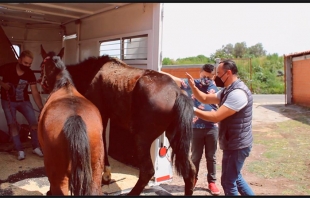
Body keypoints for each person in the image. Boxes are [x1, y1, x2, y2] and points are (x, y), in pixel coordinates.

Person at [185, 59, 254, 196]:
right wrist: (193, 87)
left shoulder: (237, 93)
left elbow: (216, 116)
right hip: (232, 143)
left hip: (238, 145)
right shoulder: (227, 90)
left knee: (228, 182)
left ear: (228, 73)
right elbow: (205, 98)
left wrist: (191, 109)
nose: (215, 77)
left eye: (219, 73)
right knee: (236, 178)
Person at [161, 64, 221, 196]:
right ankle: (192, 179)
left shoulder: (215, 87)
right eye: (204, 76)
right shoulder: (191, 84)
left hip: (212, 127)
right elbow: (174, 79)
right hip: (195, 127)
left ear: (214, 76)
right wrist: (159, 71)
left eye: (209, 77)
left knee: (211, 156)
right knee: (195, 156)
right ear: (200, 73)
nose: (206, 79)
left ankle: (212, 182)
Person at [0, 49, 44, 160]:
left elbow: (34, 92)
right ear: (19, 60)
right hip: (8, 101)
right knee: (13, 125)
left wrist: (41, 108)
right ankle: (19, 150)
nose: (27, 66)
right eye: (25, 63)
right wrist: (2, 84)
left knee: (33, 123)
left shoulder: (30, 74)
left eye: (29, 64)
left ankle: (36, 147)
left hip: (24, 101)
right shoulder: (7, 68)